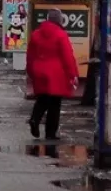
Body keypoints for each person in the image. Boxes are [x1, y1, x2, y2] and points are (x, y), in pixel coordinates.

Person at [25, 9, 79, 140]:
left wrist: (30, 71)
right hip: (56, 72)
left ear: (48, 19)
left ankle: (35, 119)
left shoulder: (36, 34)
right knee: (55, 103)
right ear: (60, 20)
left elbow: (30, 55)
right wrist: (73, 74)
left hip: (39, 70)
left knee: (42, 99)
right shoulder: (61, 35)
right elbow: (67, 57)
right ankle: (50, 133)